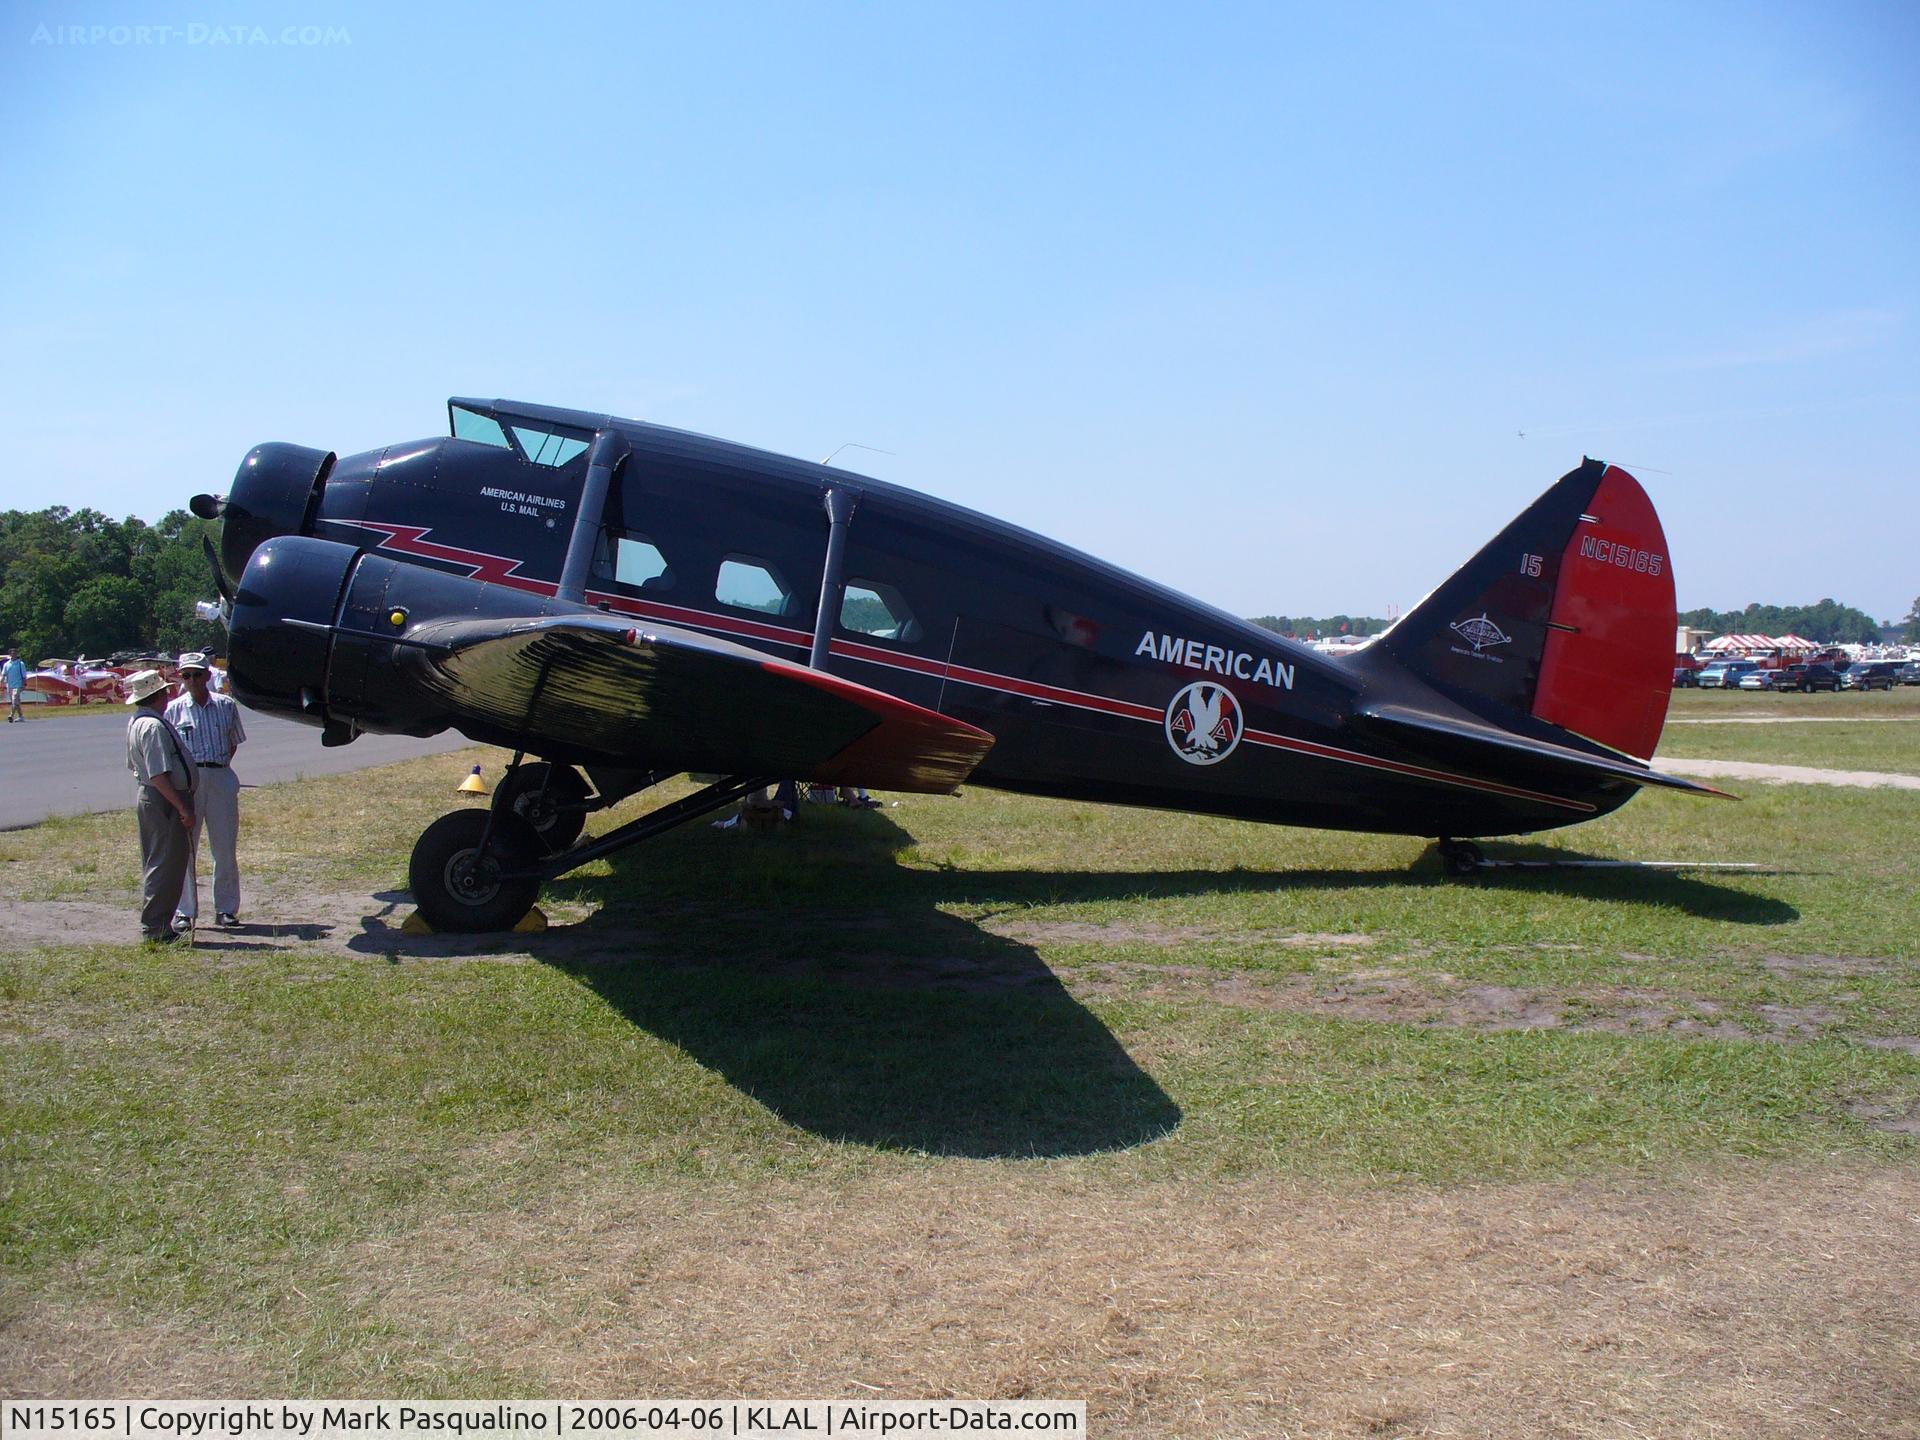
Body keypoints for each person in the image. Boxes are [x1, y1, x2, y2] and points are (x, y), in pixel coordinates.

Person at [166, 652, 247, 928]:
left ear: (208, 676)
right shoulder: (174, 709)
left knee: (224, 847)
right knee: (186, 848)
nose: (192, 680)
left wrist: (218, 767)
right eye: (186, 675)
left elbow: (233, 742)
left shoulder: (226, 706)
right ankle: (185, 911)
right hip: (190, 780)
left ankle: (226, 908)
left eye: (197, 674)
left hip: (220, 774)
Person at [125, 669, 196, 944]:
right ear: (159, 695)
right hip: (163, 798)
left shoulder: (138, 721)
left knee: (162, 861)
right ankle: (155, 928)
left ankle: (160, 925)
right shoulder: (152, 726)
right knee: (165, 864)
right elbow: (158, 774)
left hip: (154, 797)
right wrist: (181, 807)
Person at [2, 652, 24, 722]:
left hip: (18, 685)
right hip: (9, 685)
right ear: (10, 655)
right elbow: (3, 675)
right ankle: (21, 716)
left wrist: (24, 684)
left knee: (15, 699)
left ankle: (11, 715)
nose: (13, 655)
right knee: (15, 702)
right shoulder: (6, 664)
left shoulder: (21, 664)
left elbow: (24, 675)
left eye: (14, 653)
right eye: (12, 653)